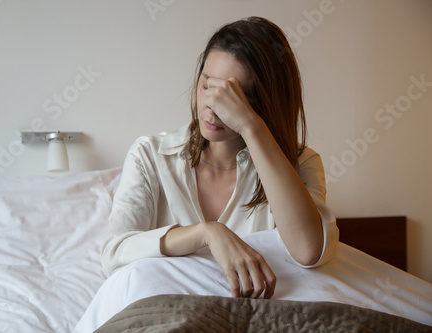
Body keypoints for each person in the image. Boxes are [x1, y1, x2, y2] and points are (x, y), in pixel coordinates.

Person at [101, 16, 338, 300]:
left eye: (238, 98)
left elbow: (308, 250)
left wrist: (250, 126)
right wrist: (208, 234)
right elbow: (114, 253)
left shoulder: (301, 163)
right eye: (207, 86)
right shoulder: (150, 155)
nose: (212, 108)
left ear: (267, 102)